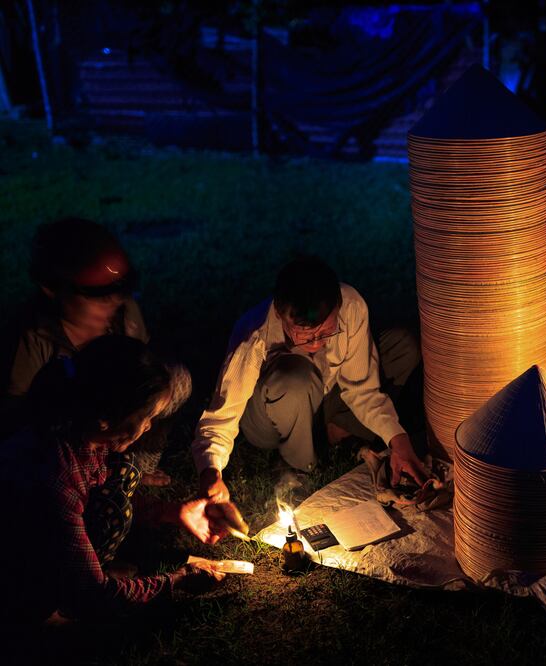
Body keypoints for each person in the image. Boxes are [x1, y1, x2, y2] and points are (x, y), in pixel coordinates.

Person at [0, 336, 230, 623]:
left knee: (125, 471)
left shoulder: (85, 434)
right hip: (15, 575)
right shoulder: (55, 474)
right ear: (106, 419)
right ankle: (49, 608)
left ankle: (85, 570)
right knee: (114, 508)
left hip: (48, 534)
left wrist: (174, 512)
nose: (149, 427)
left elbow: (95, 495)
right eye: (148, 416)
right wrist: (176, 580)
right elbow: (98, 594)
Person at [193, 256, 427, 502]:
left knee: (402, 345)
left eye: (326, 332)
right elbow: (222, 415)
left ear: (338, 304)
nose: (316, 344)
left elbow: (363, 390)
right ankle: (299, 465)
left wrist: (399, 441)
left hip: (323, 395)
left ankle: (335, 430)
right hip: (269, 418)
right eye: (304, 335)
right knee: (296, 378)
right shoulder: (254, 334)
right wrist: (210, 472)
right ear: (280, 313)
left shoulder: (351, 306)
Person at [0, 218, 186, 484]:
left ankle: (132, 465)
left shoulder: (124, 315)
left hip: (116, 420)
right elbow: (17, 416)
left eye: (117, 292)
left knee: (175, 382)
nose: (112, 302)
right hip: (69, 434)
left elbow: (144, 373)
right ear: (54, 290)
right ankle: (90, 471)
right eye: (97, 295)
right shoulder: (33, 337)